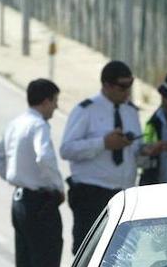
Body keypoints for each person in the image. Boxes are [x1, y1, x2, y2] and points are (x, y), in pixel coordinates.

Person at [0, 78, 66, 267]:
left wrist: (16, 178)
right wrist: (57, 187)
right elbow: (44, 157)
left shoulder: (16, 124)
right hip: (39, 201)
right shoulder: (38, 126)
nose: (55, 107)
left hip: (20, 200)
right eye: (54, 101)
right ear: (45, 101)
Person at [60, 60, 142, 251]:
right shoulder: (86, 110)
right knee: (88, 253)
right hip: (92, 193)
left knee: (122, 254)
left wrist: (146, 151)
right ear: (106, 85)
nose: (127, 91)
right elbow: (67, 149)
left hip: (123, 193)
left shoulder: (131, 112)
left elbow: (136, 151)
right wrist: (103, 143)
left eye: (130, 85)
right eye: (122, 86)